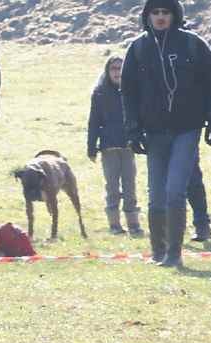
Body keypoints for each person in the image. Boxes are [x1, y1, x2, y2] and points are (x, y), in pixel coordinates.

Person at [120, 0, 211, 267]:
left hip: (187, 129)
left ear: (175, 15)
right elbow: (127, 91)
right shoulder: (138, 48)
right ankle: (158, 251)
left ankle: (174, 254)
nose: (161, 17)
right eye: (156, 12)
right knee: (156, 195)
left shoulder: (192, 43)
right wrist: (132, 128)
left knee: (175, 189)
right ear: (148, 16)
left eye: (166, 12)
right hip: (153, 132)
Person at [87, 54, 140, 235]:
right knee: (112, 186)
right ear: (107, 71)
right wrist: (91, 147)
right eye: (113, 69)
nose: (117, 72)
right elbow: (93, 121)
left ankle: (133, 224)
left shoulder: (132, 90)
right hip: (108, 147)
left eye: (120, 68)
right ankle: (114, 224)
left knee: (130, 185)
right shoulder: (99, 93)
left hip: (128, 146)